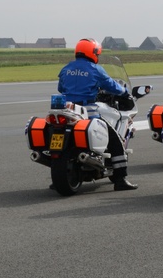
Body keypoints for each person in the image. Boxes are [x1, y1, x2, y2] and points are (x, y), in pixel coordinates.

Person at [57, 38, 138, 190]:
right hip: (88, 111)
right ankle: (120, 179)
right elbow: (112, 85)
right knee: (115, 141)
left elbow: (61, 88)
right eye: (97, 54)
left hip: (66, 110)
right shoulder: (95, 69)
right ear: (93, 53)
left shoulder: (66, 68)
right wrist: (125, 92)